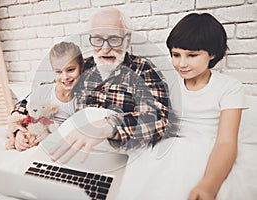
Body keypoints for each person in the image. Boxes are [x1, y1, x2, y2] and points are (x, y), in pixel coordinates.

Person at [117, 13, 245, 200]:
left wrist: (208, 185)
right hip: (170, 146)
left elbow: (226, 141)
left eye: (192, 55)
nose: (182, 63)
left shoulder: (229, 87)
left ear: (212, 54)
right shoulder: (168, 82)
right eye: (176, 55)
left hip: (208, 150)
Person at [48, 7, 170, 163]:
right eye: (98, 39)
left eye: (113, 39)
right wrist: (20, 120)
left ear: (128, 39)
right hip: (82, 154)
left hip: (123, 158)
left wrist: (110, 126)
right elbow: (49, 91)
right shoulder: (83, 67)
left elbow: (159, 121)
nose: (105, 48)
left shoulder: (143, 70)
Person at [6, 41, 84, 151]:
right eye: (58, 72)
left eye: (71, 70)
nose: (65, 76)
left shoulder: (83, 99)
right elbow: (24, 110)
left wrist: (53, 137)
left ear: (81, 67)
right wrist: (19, 134)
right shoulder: (43, 91)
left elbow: (79, 132)